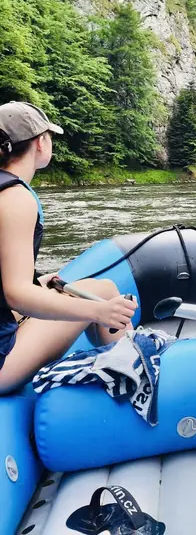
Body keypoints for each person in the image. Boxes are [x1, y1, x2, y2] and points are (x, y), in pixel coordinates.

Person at [0, 101, 137, 394]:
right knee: (105, 292)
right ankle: (138, 382)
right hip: (2, 365)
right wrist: (99, 312)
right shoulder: (16, 198)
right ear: (40, 143)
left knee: (81, 291)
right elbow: (15, 294)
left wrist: (37, 283)